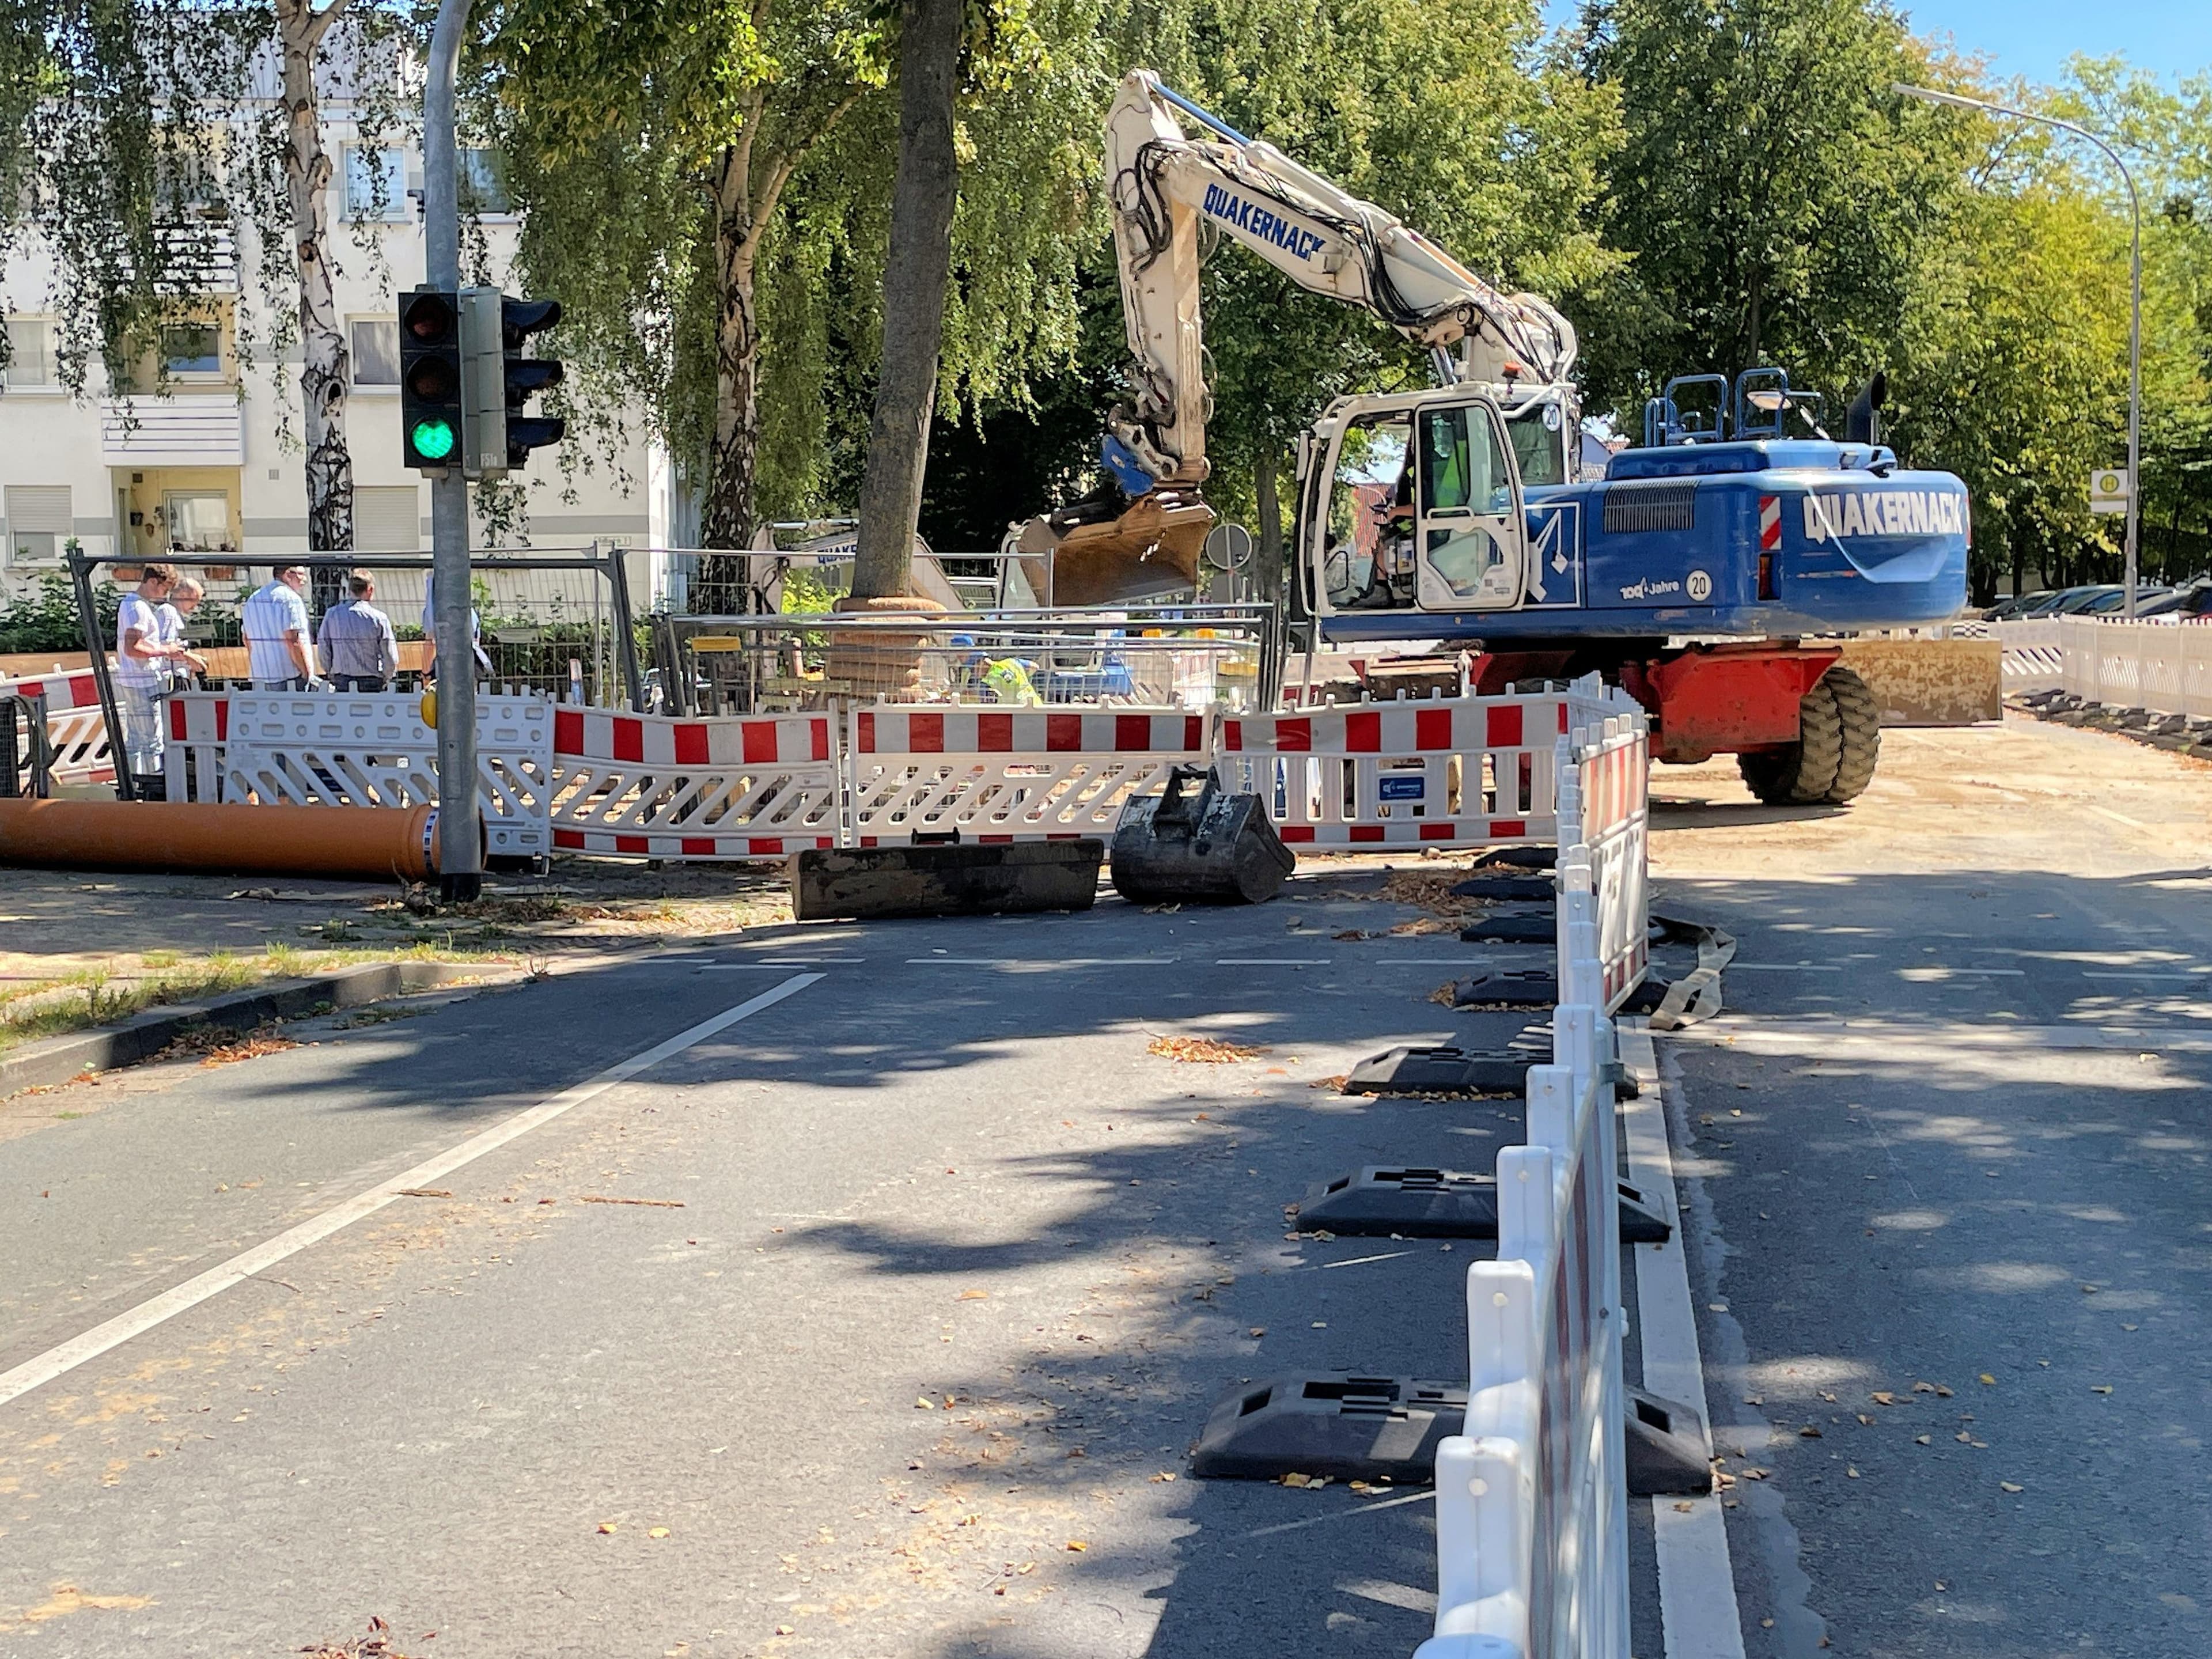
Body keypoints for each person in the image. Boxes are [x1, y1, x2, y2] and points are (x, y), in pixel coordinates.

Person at [114, 562, 183, 778]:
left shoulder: (131, 604)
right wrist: (166, 650)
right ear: (153, 581)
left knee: (135, 738)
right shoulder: (138, 608)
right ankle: (154, 785)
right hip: (142, 680)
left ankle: (134, 783)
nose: (165, 595)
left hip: (132, 679)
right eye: (164, 589)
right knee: (153, 739)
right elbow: (133, 647)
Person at [317, 569, 400, 692]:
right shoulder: (379, 618)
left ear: (350, 590)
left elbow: (324, 647)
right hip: (372, 679)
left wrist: (330, 671)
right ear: (370, 590)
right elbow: (390, 654)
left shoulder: (332, 615)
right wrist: (386, 676)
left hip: (342, 678)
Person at [241, 563, 321, 690]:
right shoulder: (291, 599)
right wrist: (306, 672)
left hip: (260, 674)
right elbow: (292, 639)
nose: (305, 580)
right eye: (301, 575)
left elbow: (247, 639)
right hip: (288, 675)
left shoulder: (253, 599)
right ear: (288, 575)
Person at [156, 577, 209, 689]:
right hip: (170, 680)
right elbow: (166, 647)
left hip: (177, 677)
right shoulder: (168, 611)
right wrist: (189, 658)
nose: (196, 605)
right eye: (196, 599)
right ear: (183, 595)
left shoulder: (176, 615)